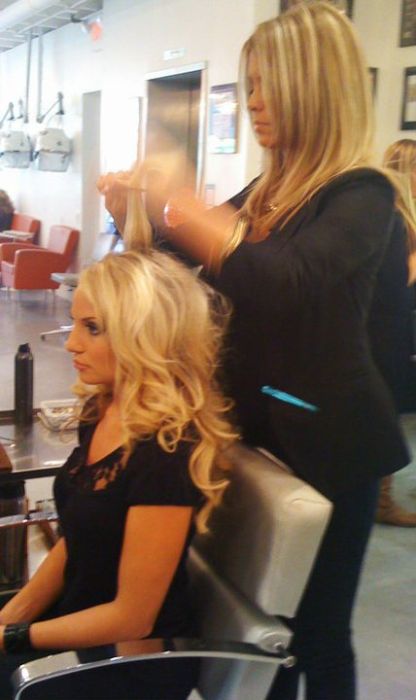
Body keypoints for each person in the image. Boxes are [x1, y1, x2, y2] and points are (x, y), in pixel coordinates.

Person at [98, 3, 416, 699]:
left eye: (271, 84)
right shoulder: (267, 193)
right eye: (250, 85)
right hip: (257, 430)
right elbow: (184, 278)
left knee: (317, 636)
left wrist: (184, 205)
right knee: (259, 632)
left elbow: (284, 283)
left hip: (331, 445)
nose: (255, 102)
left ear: (317, 88)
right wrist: (134, 217)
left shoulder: (362, 195)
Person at [0, 250, 236, 700]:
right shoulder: (103, 408)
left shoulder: (166, 453)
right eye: (75, 323)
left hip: (131, 662)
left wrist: (14, 639)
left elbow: (133, 618)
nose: (71, 344)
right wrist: (12, 615)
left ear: (145, 335)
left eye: (93, 328)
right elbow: (77, 538)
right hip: (77, 616)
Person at [371, 138, 416, 526]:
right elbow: (400, 280)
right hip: (387, 332)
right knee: (384, 415)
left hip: (394, 329)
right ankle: (380, 500)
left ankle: (380, 497)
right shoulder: (395, 217)